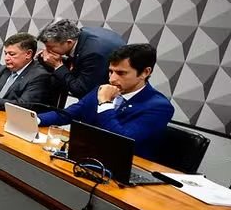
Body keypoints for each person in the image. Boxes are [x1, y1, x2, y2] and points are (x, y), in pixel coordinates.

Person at [38, 43, 174, 160]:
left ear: (145, 72)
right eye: (110, 72)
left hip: (124, 167)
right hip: (87, 157)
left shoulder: (158, 107)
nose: (112, 79)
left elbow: (121, 142)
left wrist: (105, 104)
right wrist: (34, 120)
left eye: (121, 73)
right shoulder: (101, 90)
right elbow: (67, 114)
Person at [37, 19, 126, 101]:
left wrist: (57, 66)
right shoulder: (81, 33)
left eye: (50, 47)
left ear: (69, 42)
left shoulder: (92, 54)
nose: (46, 51)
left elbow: (81, 90)